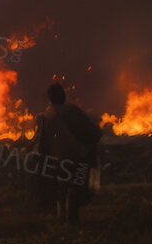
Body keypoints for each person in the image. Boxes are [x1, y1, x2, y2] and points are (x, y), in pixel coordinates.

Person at [33, 83, 101, 223]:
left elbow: (41, 146)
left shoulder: (45, 116)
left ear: (50, 98)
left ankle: (61, 218)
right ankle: (72, 219)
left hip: (56, 161)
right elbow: (92, 134)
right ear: (64, 96)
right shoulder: (73, 111)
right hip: (77, 158)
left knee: (61, 187)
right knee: (76, 188)